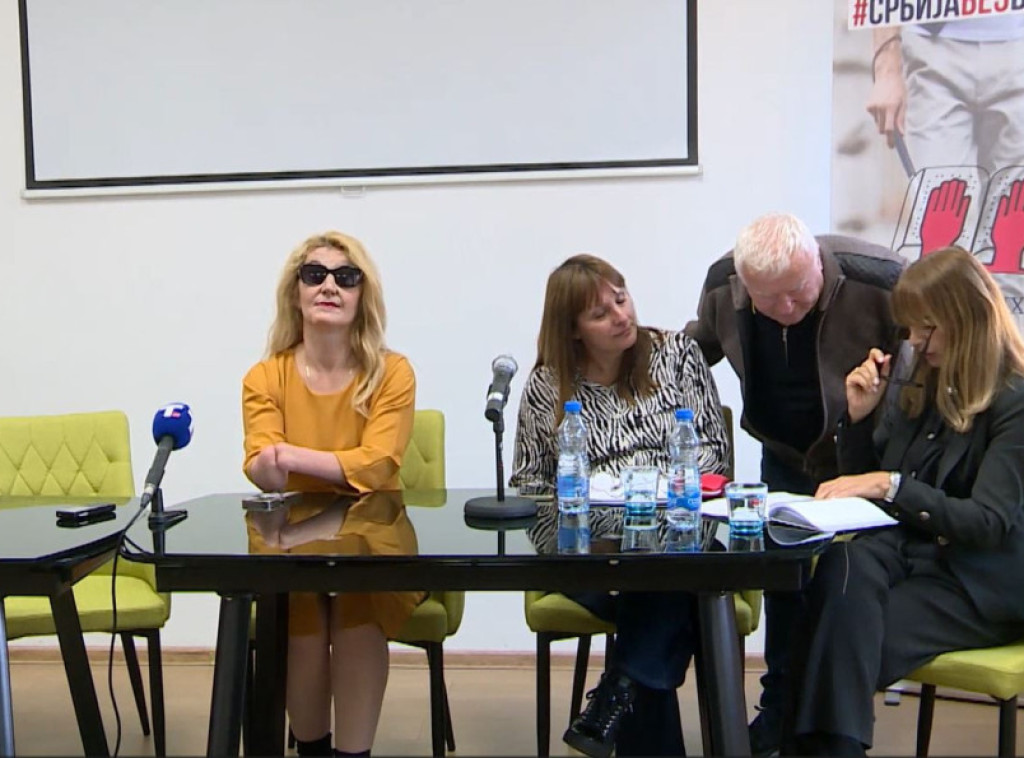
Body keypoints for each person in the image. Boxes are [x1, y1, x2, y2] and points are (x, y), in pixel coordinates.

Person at [787, 247, 1024, 756]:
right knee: (842, 566)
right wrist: (857, 419)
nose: (914, 340)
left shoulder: (1016, 399)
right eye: (911, 327)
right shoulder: (929, 382)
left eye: (925, 328)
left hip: (978, 581)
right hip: (912, 558)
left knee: (831, 634)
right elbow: (870, 489)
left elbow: (987, 522)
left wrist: (890, 484)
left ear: (966, 320)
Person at [685, 212, 905, 755]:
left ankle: (833, 721)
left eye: (798, 291)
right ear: (745, 286)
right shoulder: (722, 286)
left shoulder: (880, 279)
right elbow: (692, 353)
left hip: (863, 452)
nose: (786, 308)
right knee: (783, 581)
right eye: (770, 299)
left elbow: (933, 350)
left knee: (845, 582)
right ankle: (778, 710)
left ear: (818, 265)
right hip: (784, 452)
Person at [510, 254, 731, 757]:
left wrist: (650, 488)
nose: (621, 315)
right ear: (572, 330)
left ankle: (618, 690)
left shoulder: (677, 355)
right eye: (600, 313)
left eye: (621, 298)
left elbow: (713, 453)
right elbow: (529, 483)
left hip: (672, 535)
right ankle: (623, 686)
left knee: (656, 585)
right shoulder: (548, 384)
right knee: (664, 596)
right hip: (586, 553)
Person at [242, 230, 418, 757]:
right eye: (314, 275)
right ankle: (313, 748)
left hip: (373, 540)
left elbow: (378, 465)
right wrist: (276, 465)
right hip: (290, 542)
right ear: (295, 292)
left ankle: (353, 754)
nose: (329, 287)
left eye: (346, 277)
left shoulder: (392, 372)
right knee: (301, 604)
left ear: (363, 295)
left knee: (355, 599)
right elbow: (262, 467)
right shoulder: (264, 376)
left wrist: (291, 457)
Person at [866, 16, 1024, 176]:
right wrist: (886, 68)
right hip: (933, 48)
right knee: (939, 189)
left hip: (1017, 47)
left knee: (1015, 192)